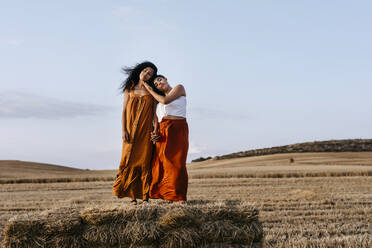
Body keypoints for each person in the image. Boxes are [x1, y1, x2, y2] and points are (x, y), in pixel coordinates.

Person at [112, 61, 158, 205]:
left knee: (144, 162)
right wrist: (124, 130)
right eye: (145, 70)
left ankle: (145, 197)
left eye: (150, 73)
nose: (146, 74)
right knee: (129, 161)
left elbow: (154, 113)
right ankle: (132, 197)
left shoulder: (152, 91)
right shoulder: (129, 89)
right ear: (140, 71)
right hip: (130, 132)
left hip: (145, 132)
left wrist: (156, 129)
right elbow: (124, 111)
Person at [143, 75, 189, 203]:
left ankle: (180, 197)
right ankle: (168, 195)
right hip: (163, 131)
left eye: (160, 80)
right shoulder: (157, 103)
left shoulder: (179, 88)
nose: (158, 83)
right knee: (163, 163)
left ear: (166, 79)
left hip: (178, 128)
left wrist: (149, 89)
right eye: (156, 84)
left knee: (178, 163)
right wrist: (155, 132)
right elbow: (156, 119)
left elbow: (165, 101)